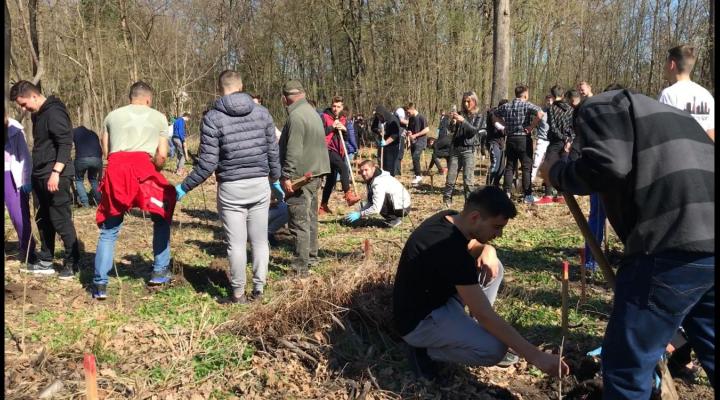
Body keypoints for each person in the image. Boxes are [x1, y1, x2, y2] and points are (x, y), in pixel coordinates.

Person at [540, 88, 714, 399]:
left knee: (625, 365)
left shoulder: (601, 105)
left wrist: (557, 171)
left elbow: (609, 166)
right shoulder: (678, 118)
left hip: (668, 246)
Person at [393, 186, 570, 380]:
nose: (499, 234)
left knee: (494, 266)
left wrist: (488, 250)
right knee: (495, 350)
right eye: (496, 227)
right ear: (475, 217)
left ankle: (470, 333)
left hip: (436, 299)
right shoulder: (451, 253)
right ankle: (425, 352)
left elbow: (472, 245)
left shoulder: (450, 218)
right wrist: (536, 356)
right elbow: (484, 314)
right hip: (419, 323)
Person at [176, 70, 281, 303]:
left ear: (219, 88)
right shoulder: (263, 113)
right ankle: (259, 289)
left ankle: (238, 293)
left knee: (236, 244)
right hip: (259, 184)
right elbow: (273, 151)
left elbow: (208, 163)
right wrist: (276, 179)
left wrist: (184, 187)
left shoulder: (213, 118)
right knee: (260, 240)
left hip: (231, 187)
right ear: (242, 86)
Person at [92, 81, 175, 299]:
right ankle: (159, 271)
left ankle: (100, 284)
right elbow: (163, 155)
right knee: (162, 215)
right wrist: (156, 166)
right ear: (148, 99)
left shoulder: (111, 116)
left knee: (109, 229)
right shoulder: (158, 117)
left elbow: (106, 149)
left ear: (131, 97)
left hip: (116, 169)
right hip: (143, 170)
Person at [10, 80, 80, 279]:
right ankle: (46, 260)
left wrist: (56, 172)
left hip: (56, 175)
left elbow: (65, 143)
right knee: (43, 219)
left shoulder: (55, 112)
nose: (24, 109)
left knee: (60, 219)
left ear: (34, 95)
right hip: (40, 174)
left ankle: (72, 262)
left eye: (24, 104)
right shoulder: (37, 115)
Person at [278, 80, 331, 276]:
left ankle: (300, 267)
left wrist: (287, 176)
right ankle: (312, 257)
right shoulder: (312, 113)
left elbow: (293, 149)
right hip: (315, 173)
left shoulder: (297, 116)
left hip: (301, 176)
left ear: (285, 98)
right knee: (311, 218)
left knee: (299, 221)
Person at [493, 85, 544, 203]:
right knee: (526, 167)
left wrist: (502, 127)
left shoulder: (506, 106)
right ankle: (527, 195)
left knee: (510, 166)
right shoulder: (527, 105)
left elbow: (494, 114)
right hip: (524, 139)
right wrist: (531, 127)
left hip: (510, 139)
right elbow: (540, 113)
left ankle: (507, 192)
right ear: (525, 94)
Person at [658, 44, 714, 142]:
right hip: (705, 155)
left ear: (672, 64)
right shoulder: (707, 96)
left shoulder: (668, 95)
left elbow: (662, 133)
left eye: (666, 62)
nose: (664, 66)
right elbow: (711, 134)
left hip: (679, 155)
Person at [5, 115, 38, 268]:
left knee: (18, 213)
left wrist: (26, 179)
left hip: (11, 175)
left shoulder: (15, 129)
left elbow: (24, 155)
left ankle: (28, 249)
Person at [319, 96, 361, 214]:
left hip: (339, 150)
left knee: (331, 180)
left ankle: (323, 206)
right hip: (327, 149)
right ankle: (348, 195)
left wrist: (344, 130)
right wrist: (332, 127)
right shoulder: (324, 117)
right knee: (343, 167)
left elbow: (346, 138)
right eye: (334, 106)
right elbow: (319, 133)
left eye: (338, 106)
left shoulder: (343, 119)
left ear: (342, 107)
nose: (335, 109)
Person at [443, 91, 486, 207]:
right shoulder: (459, 113)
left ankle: (469, 205)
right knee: (450, 179)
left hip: (469, 150)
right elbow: (451, 131)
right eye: (464, 101)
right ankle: (446, 201)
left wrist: (463, 121)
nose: (466, 104)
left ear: (474, 101)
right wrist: (453, 122)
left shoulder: (479, 115)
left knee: (468, 181)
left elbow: (473, 131)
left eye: (469, 101)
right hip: (456, 149)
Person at [535, 86, 576, 205]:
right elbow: (573, 127)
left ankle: (548, 195)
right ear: (563, 95)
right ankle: (561, 195)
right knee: (564, 166)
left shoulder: (552, 108)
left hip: (556, 141)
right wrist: (569, 139)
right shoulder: (570, 108)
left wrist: (563, 138)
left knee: (549, 165)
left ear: (552, 96)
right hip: (567, 142)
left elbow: (552, 127)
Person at [344, 160, 411, 228]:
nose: (363, 173)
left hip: (402, 207)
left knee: (378, 200)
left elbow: (376, 208)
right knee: (373, 198)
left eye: (366, 170)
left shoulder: (378, 182)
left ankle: (394, 219)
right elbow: (370, 201)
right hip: (398, 204)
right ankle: (393, 218)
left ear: (373, 168)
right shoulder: (372, 178)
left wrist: (360, 214)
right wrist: (360, 211)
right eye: (361, 171)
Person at [72, 125, 102, 207]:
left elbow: (66, 143)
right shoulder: (93, 133)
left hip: (82, 159)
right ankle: (99, 202)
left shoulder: (74, 132)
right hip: (97, 159)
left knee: (79, 180)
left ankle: (85, 203)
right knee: (93, 179)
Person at [371, 106, 401, 176]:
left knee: (389, 164)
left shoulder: (392, 119)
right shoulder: (378, 118)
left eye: (380, 117)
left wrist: (386, 142)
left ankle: (390, 179)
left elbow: (395, 135)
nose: (379, 118)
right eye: (378, 117)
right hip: (382, 143)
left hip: (392, 145)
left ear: (383, 114)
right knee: (382, 162)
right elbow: (373, 127)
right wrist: (379, 131)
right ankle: (383, 177)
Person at [530, 95, 553, 185]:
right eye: (548, 101)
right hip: (542, 139)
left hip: (553, 141)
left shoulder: (557, 111)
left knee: (551, 163)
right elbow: (535, 122)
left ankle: (548, 183)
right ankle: (530, 182)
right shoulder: (541, 111)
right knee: (536, 161)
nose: (549, 102)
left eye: (551, 101)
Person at [485, 99, 508, 187]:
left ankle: (496, 185)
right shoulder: (493, 113)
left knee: (501, 168)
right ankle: (488, 186)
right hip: (493, 142)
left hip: (501, 143)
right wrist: (507, 129)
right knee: (495, 164)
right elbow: (497, 126)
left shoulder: (505, 115)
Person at [405, 103, 430, 186]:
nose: (407, 114)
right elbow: (410, 130)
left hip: (421, 141)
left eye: (408, 112)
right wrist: (409, 134)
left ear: (412, 109)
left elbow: (426, 129)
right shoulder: (411, 119)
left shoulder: (421, 117)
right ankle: (417, 176)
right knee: (414, 158)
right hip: (413, 141)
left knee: (416, 156)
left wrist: (416, 135)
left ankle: (419, 177)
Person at [394, 106, 409, 176]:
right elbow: (401, 120)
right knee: (398, 152)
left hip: (402, 135)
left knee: (400, 153)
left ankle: (398, 170)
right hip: (399, 134)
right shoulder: (400, 110)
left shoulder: (404, 113)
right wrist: (411, 122)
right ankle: (395, 171)